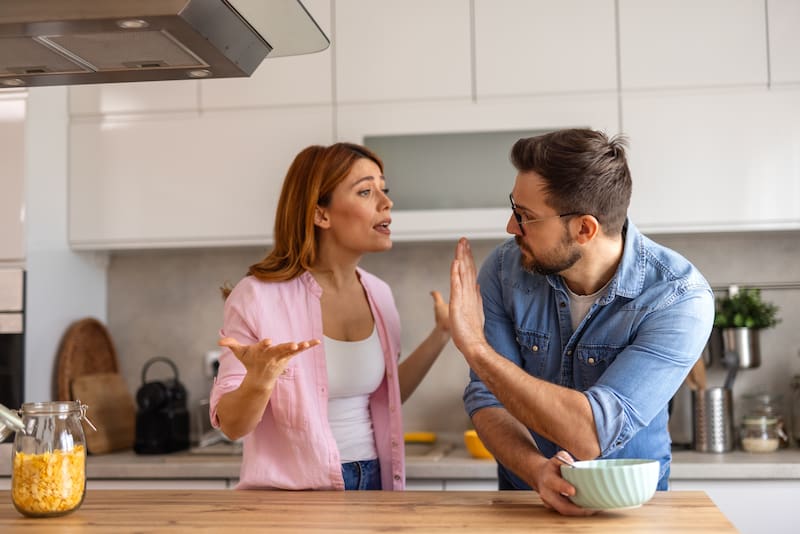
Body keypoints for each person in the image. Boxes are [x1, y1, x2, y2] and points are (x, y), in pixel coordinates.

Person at [448, 128, 714, 515]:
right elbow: (488, 399)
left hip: (632, 511)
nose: (510, 227)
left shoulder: (678, 297)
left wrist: (475, 348)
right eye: (514, 208)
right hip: (525, 502)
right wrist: (538, 471)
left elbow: (591, 434)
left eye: (525, 216)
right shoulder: (505, 271)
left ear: (584, 229)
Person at [210, 142, 450, 491]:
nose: (386, 203)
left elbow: (387, 394)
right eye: (366, 191)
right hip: (295, 499)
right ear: (321, 214)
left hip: (374, 480)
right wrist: (259, 380)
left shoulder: (379, 294)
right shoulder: (257, 296)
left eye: (384, 189)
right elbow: (232, 425)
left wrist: (442, 334)